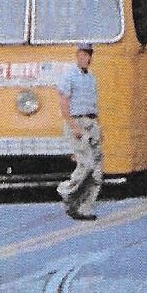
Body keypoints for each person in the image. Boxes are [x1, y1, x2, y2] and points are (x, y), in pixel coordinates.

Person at [55, 43, 103, 221]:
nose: (86, 58)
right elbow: (63, 101)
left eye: (89, 55)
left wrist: (98, 127)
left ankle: (85, 208)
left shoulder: (91, 78)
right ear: (77, 55)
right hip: (77, 122)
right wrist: (73, 126)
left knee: (97, 170)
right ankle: (66, 190)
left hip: (91, 122)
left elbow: (93, 105)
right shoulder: (69, 75)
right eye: (83, 54)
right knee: (86, 163)